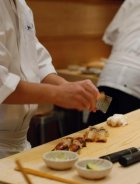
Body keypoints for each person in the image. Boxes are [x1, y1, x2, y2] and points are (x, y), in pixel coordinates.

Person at [0, 0, 99, 158]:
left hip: (20, 145)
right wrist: (59, 94)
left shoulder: (22, 6)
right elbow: (2, 83)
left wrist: (68, 88)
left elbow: (38, 61)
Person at [87, 0, 140, 126]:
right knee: (126, 135)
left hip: (109, 77)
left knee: (96, 125)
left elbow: (110, 36)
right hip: (135, 83)